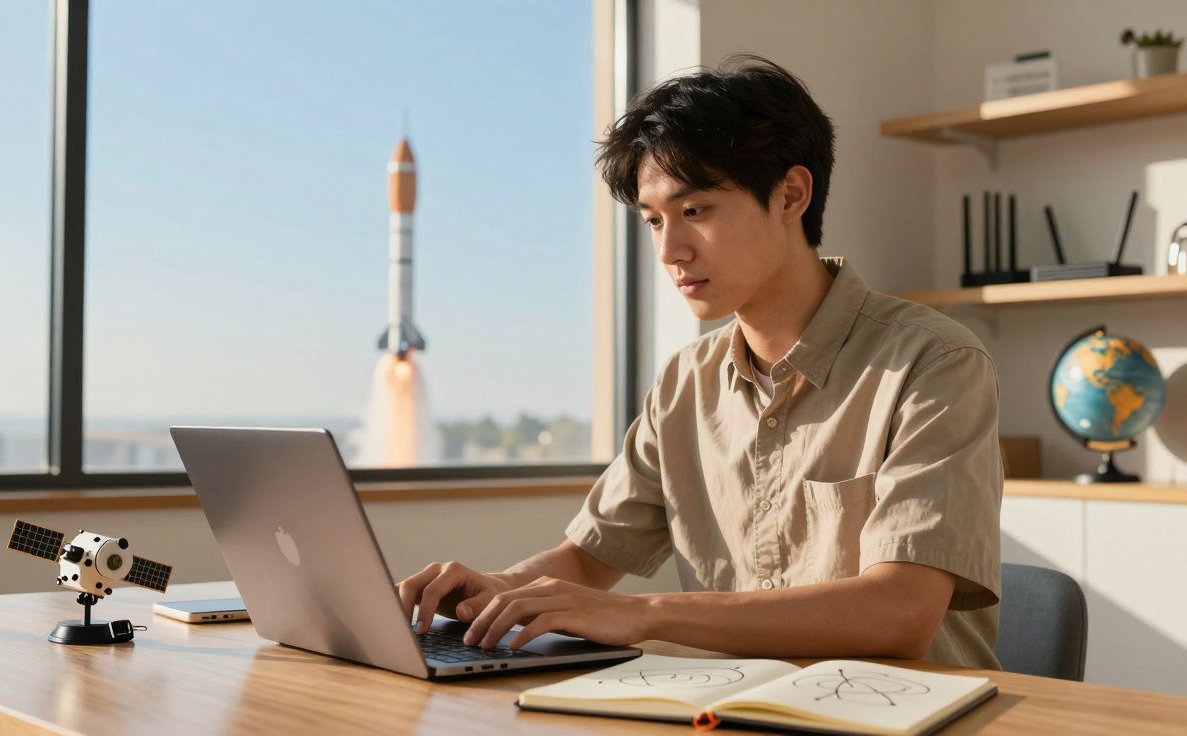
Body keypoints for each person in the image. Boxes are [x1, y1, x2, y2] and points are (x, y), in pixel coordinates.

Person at [395, 54, 1003, 669]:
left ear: (791, 194)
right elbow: (585, 559)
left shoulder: (933, 361)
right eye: (653, 220)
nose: (669, 249)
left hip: (900, 715)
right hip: (728, 710)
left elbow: (898, 613)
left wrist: (642, 614)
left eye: (695, 211)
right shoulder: (684, 383)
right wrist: (499, 589)